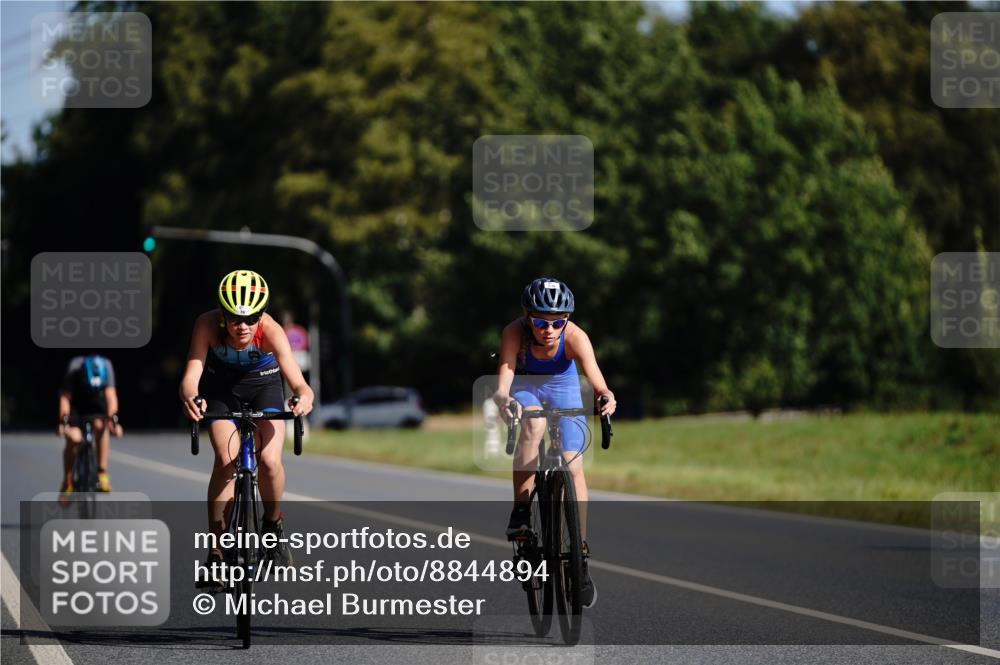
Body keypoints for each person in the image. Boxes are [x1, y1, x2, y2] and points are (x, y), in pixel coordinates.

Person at [178, 269, 313, 584]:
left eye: (251, 319)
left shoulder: (272, 330)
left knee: (270, 461)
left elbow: (299, 383)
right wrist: (191, 397)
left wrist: (304, 398)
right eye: (235, 319)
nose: (243, 326)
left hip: (264, 387)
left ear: (261, 315)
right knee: (226, 460)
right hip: (222, 391)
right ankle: (216, 552)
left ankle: (272, 526)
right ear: (222, 314)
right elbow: (191, 376)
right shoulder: (206, 325)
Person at [493, 277, 617, 609]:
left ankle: (580, 555)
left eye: (558, 322)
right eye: (540, 322)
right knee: (533, 425)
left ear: (567, 320)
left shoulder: (576, 337)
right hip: (526, 388)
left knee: (573, 464)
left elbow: (598, 381)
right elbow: (504, 378)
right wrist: (504, 399)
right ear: (527, 318)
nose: (549, 330)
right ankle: (521, 511)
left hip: (564, 388)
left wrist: (606, 397)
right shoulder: (513, 333)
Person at [57, 354, 123, 504]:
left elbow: (111, 396)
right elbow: (65, 397)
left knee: (101, 425)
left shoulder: (106, 365)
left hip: (97, 405)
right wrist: (63, 422)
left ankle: (102, 472)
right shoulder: (75, 366)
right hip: (76, 407)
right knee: (74, 438)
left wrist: (113, 421)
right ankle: (67, 481)